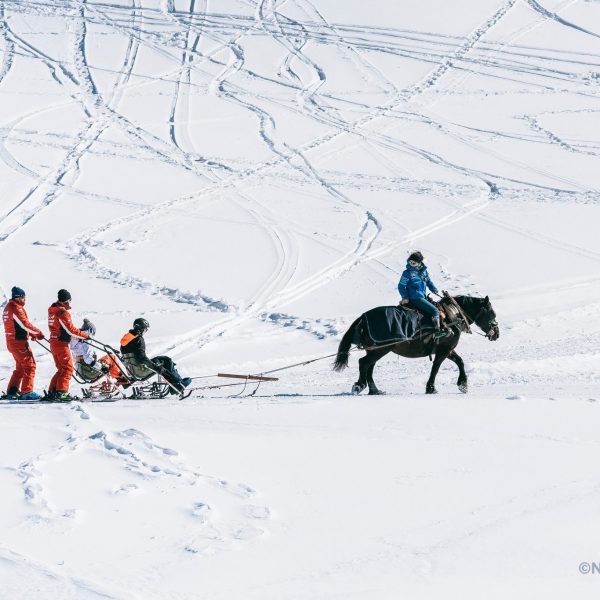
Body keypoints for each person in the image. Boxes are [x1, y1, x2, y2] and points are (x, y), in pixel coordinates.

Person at [120, 318, 191, 394]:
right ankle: (178, 384)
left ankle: (175, 383)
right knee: (166, 361)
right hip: (140, 371)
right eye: (145, 329)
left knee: (161, 359)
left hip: (133, 370)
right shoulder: (138, 339)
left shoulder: (126, 340)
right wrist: (154, 367)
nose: (145, 331)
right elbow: (142, 358)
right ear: (141, 328)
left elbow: (137, 357)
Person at [2, 286, 45, 399]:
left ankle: (12, 391)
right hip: (18, 342)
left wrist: (30, 334)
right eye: (24, 298)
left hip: (12, 341)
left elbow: (17, 326)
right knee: (29, 366)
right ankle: (26, 392)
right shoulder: (16, 308)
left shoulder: (8, 307)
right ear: (19, 297)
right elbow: (24, 324)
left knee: (20, 367)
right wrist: (38, 333)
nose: (25, 300)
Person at [47, 289, 89, 400]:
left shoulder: (52, 310)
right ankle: (61, 393)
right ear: (67, 300)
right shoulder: (62, 312)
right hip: (61, 343)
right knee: (67, 369)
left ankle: (53, 391)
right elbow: (70, 330)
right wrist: (84, 335)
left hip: (54, 341)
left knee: (61, 369)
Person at [398, 251, 447, 338]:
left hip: (422, 296)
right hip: (415, 297)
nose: (411, 264)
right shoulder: (407, 273)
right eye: (410, 262)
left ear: (420, 263)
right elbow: (401, 286)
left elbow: (428, 281)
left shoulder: (424, 271)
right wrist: (405, 297)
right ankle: (437, 331)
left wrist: (433, 289)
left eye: (414, 263)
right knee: (435, 310)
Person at [70, 319, 128, 385]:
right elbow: (88, 359)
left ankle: (108, 384)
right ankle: (121, 379)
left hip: (81, 372)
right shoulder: (85, 340)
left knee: (104, 362)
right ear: (90, 331)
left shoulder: (76, 341)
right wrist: (101, 367)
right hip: (89, 372)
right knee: (111, 358)